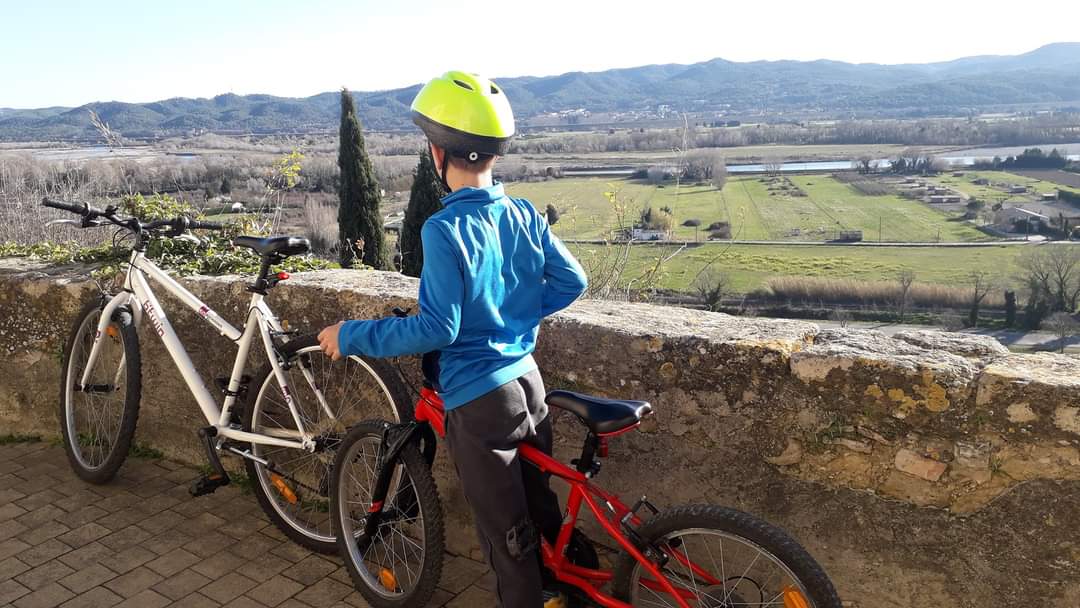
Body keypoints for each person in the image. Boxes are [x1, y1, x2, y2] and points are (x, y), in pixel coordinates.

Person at [317, 70, 588, 608]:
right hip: (529, 385)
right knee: (542, 514)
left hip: (479, 400)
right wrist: (513, 321)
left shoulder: (443, 230)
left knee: (509, 541)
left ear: (438, 151)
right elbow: (573, 281)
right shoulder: (523, 213)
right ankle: (567, 593)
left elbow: (437, 328)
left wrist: (350, 334)